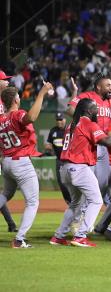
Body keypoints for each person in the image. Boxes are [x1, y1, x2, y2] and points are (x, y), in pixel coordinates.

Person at [50, 98, 111, 247]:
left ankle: (58, 236)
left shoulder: (71, 124)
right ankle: (80, 236)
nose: (98, 111)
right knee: (96, 200)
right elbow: (109, 142)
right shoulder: (88, 123)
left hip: (65, 168)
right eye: (95, 108)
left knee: (75, 204)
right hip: (78, 168)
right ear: (88, 110)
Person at [0, 83, 53, 248]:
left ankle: (20, 238)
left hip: (6, 162)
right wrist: (42, 93)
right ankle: (19, 239)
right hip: (20, 162)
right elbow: (31, 117)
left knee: (6, 194)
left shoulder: (1, 119)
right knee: (32, 202)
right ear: (15, 99)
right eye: (18, 97)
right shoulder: (17, 115)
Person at [0, 70, 18, 232]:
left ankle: (11, 223)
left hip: (3, 153)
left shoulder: (4, 102)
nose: (7, 82)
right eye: (4, 80)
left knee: (3, 193)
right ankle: (11, 224)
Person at [45, 112, 71, 204]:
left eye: (61, 119)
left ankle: (77, 202)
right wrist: (48, 148)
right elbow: (48, 144)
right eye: (57, 120)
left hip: (71, 160)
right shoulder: (53, 131)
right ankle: (69, 202)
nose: (59, 121)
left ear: (65, 119)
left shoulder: (70, 129)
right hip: (60, 160)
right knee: (62, 183)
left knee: (74, 182)